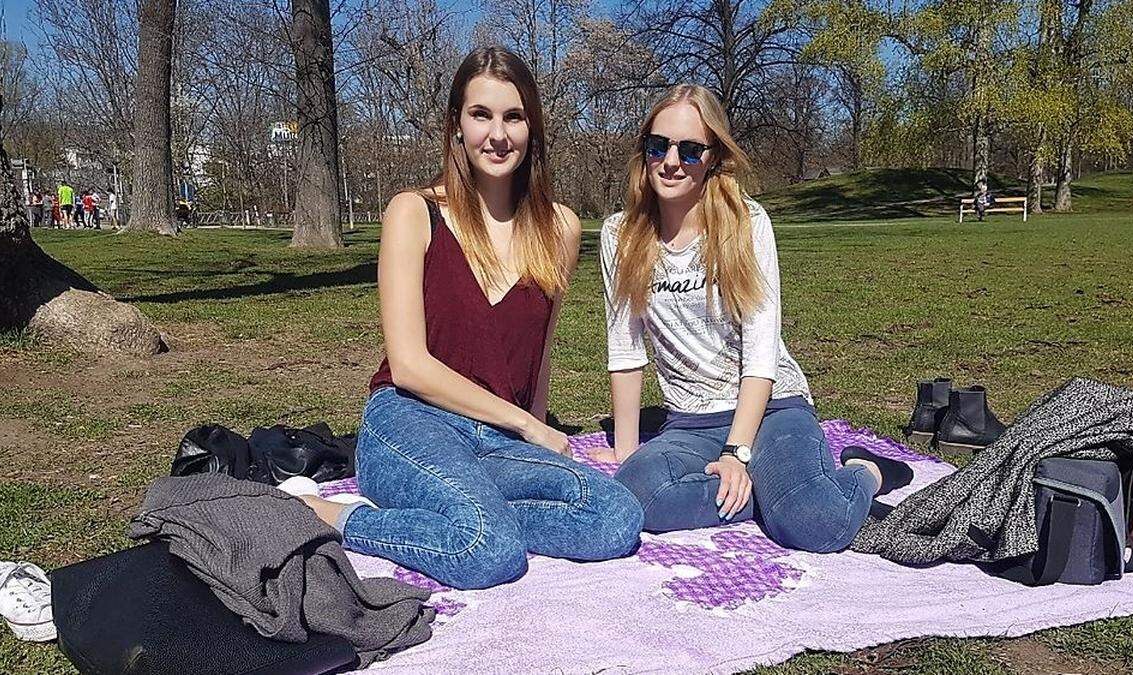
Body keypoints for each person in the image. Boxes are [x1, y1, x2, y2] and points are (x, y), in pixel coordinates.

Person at [288, 47, 643, 590]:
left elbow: (539, 355)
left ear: (533, 129)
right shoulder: (414, 212)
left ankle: (469, 516)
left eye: (514, 116)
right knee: (488, 552)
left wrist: (529, 428)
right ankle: (333, 515)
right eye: (481, 115)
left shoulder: (562, 229)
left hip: (497, 440)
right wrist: (529, 426)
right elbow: (408, 366)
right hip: (411, 421)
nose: (497, 135)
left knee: (617, 517)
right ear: (457, 124)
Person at [594, 84, 913, 552]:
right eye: (658, 145)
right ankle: (774, 492)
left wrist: (736, 454)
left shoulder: (747, 223)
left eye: (690, 150)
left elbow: (761, 354)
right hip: (688, 422)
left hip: (771, 408)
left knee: (816, 523)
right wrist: (625, 451)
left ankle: (866, 471)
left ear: (715, 157)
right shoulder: (620, 235)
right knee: (637, 493)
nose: (671, 161)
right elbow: (625, 350)